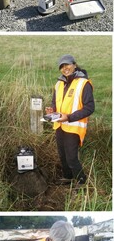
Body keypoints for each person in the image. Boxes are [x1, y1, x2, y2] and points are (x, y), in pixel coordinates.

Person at [46, 54, 95, 186]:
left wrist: (69, 117)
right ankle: (68, 178)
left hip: (74, 127)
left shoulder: (84, 83)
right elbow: (55, 103)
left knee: (72, 158)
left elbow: (90, 108)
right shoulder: (59, 84)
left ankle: (81, 182)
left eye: (67, 64)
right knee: (62, 155)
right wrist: (52, 110)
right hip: (59, 126)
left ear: (74, 65)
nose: (64, 68)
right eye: (61, 66)